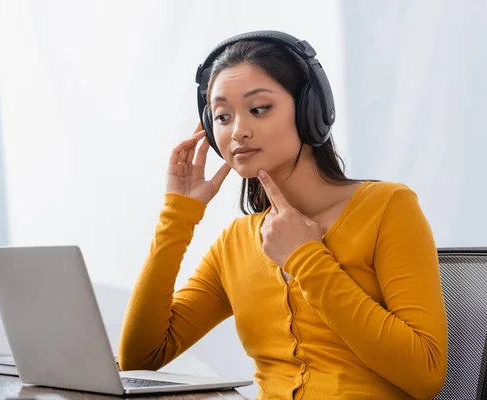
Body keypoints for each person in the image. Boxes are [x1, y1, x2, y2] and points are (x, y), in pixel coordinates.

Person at [118, 31, 448, 400]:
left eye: (259, 109)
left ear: (311, 110)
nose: (238, 131)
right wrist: (178, 215)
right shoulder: (236, 242)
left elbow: (426, 376)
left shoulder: (388, 206)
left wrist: (306, 258)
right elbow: (140, 357)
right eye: (222, 116)